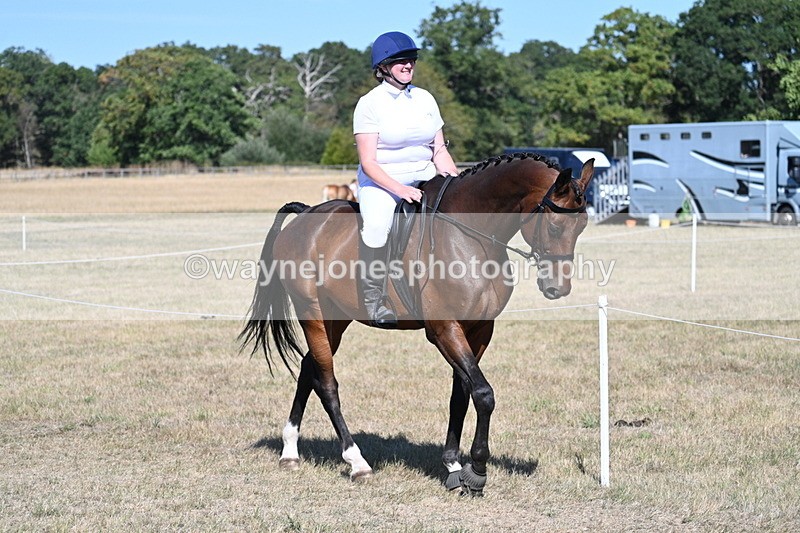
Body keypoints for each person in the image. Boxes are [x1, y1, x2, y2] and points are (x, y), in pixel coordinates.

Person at [353, 31, 459, 328]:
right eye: (400, 60)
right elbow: (368, 162)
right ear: (383, 67)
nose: (408, 65)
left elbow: (438, 150)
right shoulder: (369, 104)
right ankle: (373, 297)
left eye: (411, 59)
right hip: (382, 181)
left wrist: (454, 180)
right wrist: (401, 190)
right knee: (376, 226)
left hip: (425, 175)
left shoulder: (424, 98)